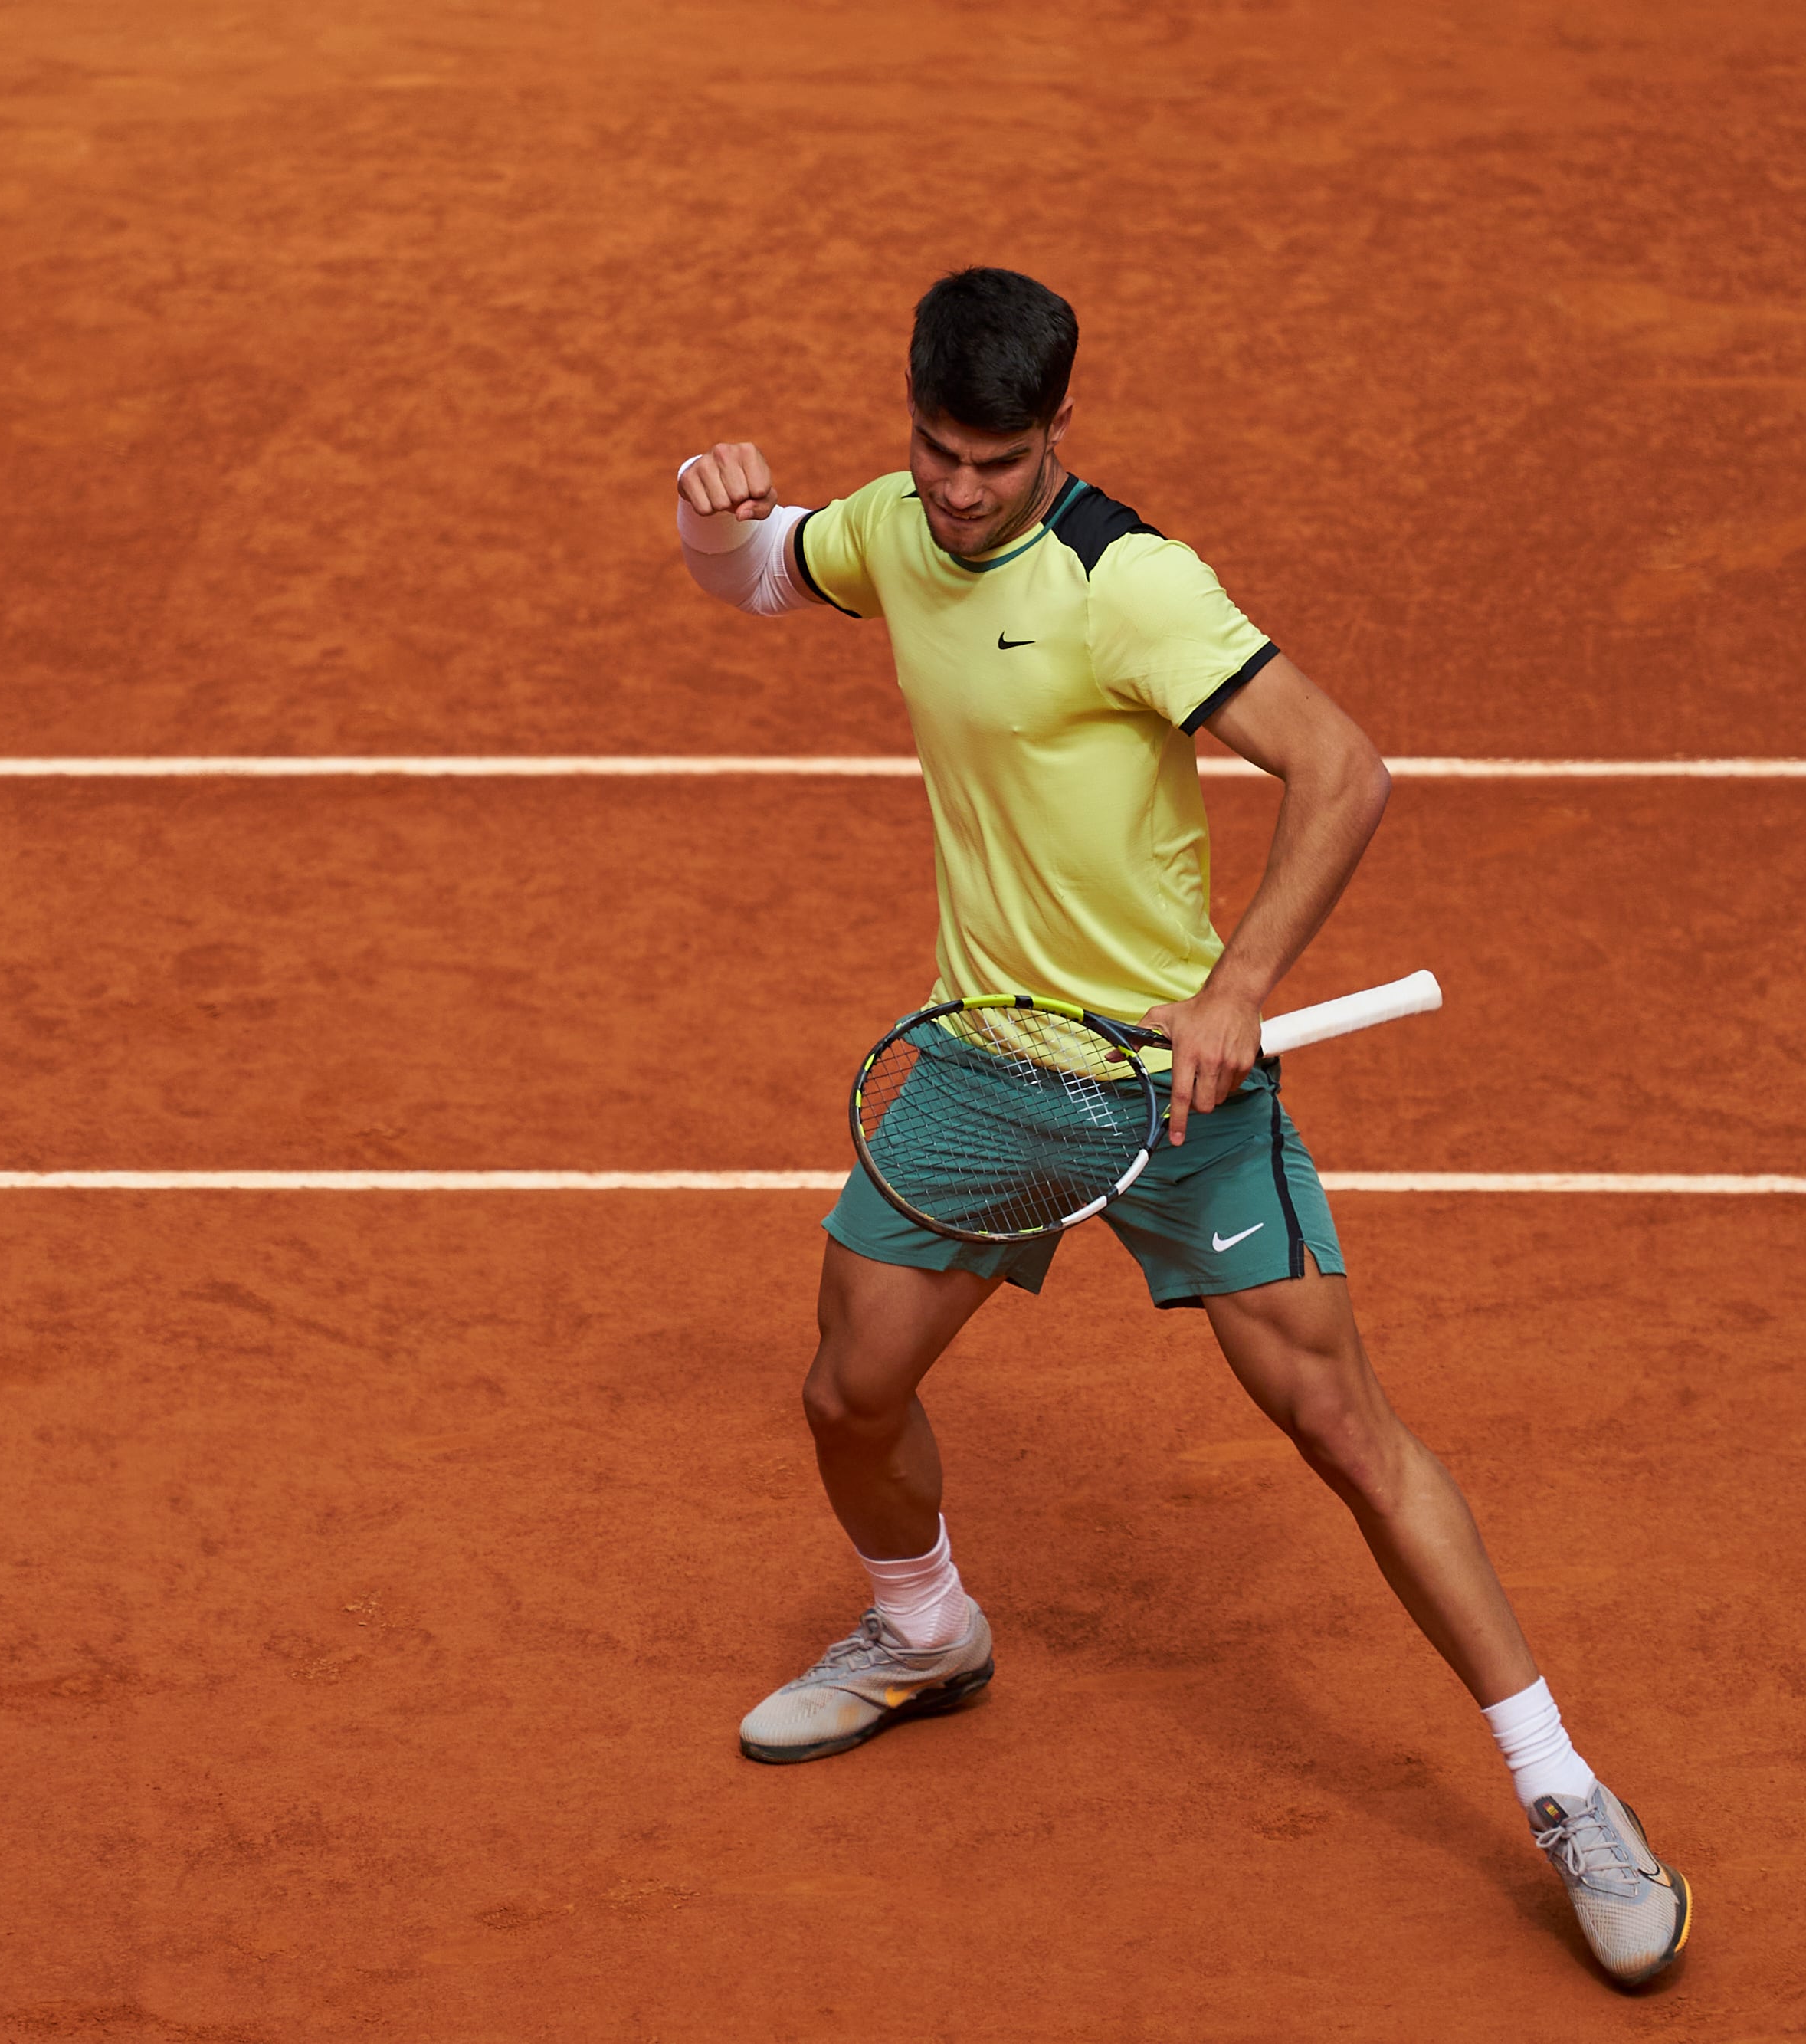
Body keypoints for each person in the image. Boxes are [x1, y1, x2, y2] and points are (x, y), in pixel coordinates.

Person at [672, 267, 1689, 1987]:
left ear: (1056, 432)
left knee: (1340, 1426)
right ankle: (924, 1632)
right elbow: (769, 573)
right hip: (993, 1068)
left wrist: (1232, 992)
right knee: (848, 1386)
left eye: (995, 460)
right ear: (908, 419)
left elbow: (1341, 766)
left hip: (1167, 1079)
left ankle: (1562, 1787)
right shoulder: (894, 528)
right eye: (936, 451)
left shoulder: (1125, 584)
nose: (962, 490)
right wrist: (711, 525)